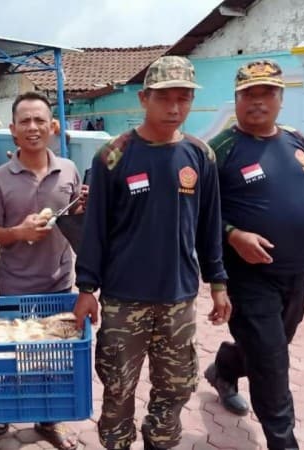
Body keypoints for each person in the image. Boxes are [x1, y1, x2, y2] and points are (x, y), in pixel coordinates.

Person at [204, 59, 304, 450]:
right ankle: (283, 441)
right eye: (249, 94)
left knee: (271, 347)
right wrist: (233, 235)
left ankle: (225, 367)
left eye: (267, 94)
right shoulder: (219, 150)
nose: (258, 102)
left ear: (281, 98)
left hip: (297, 274)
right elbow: (197, 213)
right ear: (237, 99)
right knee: (272, 363)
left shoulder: (295, 139)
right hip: (248, 278)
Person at [73, 56, 232, 450]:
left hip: (178, 298)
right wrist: (86, 288)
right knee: (118, 387)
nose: (174, 108)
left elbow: (209, 225)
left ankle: (159, 443)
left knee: (175, 387)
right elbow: (94, 230)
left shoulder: (200, 156)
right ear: (144, 98)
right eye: (164, 98)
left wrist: (218, 283)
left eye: (184, 98)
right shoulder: (113, 155)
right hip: (123, 299)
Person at [0, 91, 84, 450]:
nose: (33, 127)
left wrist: (82, 208)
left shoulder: (68, 170)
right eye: (24, 120)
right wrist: (18, 233)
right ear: (12, 129)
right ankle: (3, 408)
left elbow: (73, 216)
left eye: (40, 120)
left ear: (53, 126)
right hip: (15, 283)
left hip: (59, 281)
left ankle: (49, 420)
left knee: (53, 355)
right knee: (9, 352)